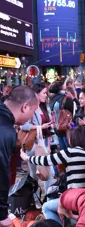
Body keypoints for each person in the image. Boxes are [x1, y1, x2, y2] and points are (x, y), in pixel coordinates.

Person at [20, 125, 85, 225]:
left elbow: (46, 160)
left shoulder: (71, 152)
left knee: (46, 207)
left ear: (74, 139)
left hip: (76, 199)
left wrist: (27, 158)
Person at [0, 86, 39, 227]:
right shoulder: (6, 131)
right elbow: (1, 171)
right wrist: (2, 214)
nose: (31, 118)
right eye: (33, 112)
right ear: (25, 106)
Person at [20, 83, 55, 193]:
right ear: (36, 94)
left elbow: (50, 128)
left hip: (43, 142)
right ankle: (39, 198)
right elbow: (23, 125)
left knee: (44, 172)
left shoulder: (45, 107)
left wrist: (49, 145)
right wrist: (39, 127)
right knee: (39, 172)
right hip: (33, 143)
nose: (46, 95)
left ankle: (43, 197)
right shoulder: (30, 107)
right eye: (44, 93)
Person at [49, 83, 75, 150]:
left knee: (62, 147)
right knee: (69, 148)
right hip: (66, 125)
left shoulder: (51, 99)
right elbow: (74, 110)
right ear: (60, 89)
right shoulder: (65, 99)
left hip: (56, 126)